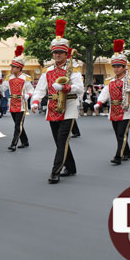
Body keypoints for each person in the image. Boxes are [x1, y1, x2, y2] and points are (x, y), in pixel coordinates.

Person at [31, 20, 84, 184]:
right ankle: (71, 167)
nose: (57, 55)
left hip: (68, 108)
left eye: (61, 53)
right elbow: (40, 89)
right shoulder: (48, 71)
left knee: (61, 140)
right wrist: (35, 101)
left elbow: (79, 88)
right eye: (55, 53)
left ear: (66, 53)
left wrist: (64, 88)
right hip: (52, 108)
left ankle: (55, 171)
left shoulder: (73, 69)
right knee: (59, 141)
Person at [94, 40, 130, 165]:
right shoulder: (110, 81)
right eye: (114, 66)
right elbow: (105, 93)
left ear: (124, 67)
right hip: (113, 110)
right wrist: (99, 103)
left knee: (121, 133)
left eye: (118, 66)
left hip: (126, 111)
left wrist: (129, 103)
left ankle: (118, 156)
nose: (116, 69)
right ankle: (127, 152)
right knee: (119, 134)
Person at [0, 45, 33, 152]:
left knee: (18, 125)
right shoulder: (8, 78)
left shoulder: (26, 78)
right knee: (18, 124)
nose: (11, 69)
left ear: (19, 68)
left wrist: (28, 96)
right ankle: (25, 141)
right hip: (12, 103)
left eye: (13, 67)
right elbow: (2, 88)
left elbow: (31, 90)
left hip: (22, 105)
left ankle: (13, 144)